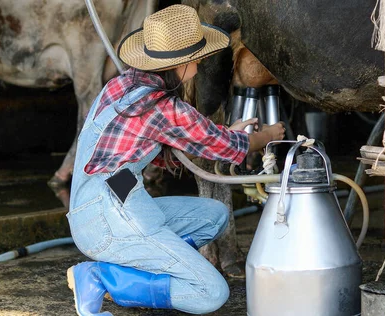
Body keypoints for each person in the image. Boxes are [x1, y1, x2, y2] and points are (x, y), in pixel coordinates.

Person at [66, 4, 285, 315]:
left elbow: (190, 136)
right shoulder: (163, 107)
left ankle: (139, 274)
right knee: (210, 293)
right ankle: (101, 278)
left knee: (213, 216)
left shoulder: (123, 84)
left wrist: (226, 133)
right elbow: (218, 144)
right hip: (107, 220)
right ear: (181, 64)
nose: (200, 62)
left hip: (109, 203)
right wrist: (267, 135)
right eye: (196, 58)